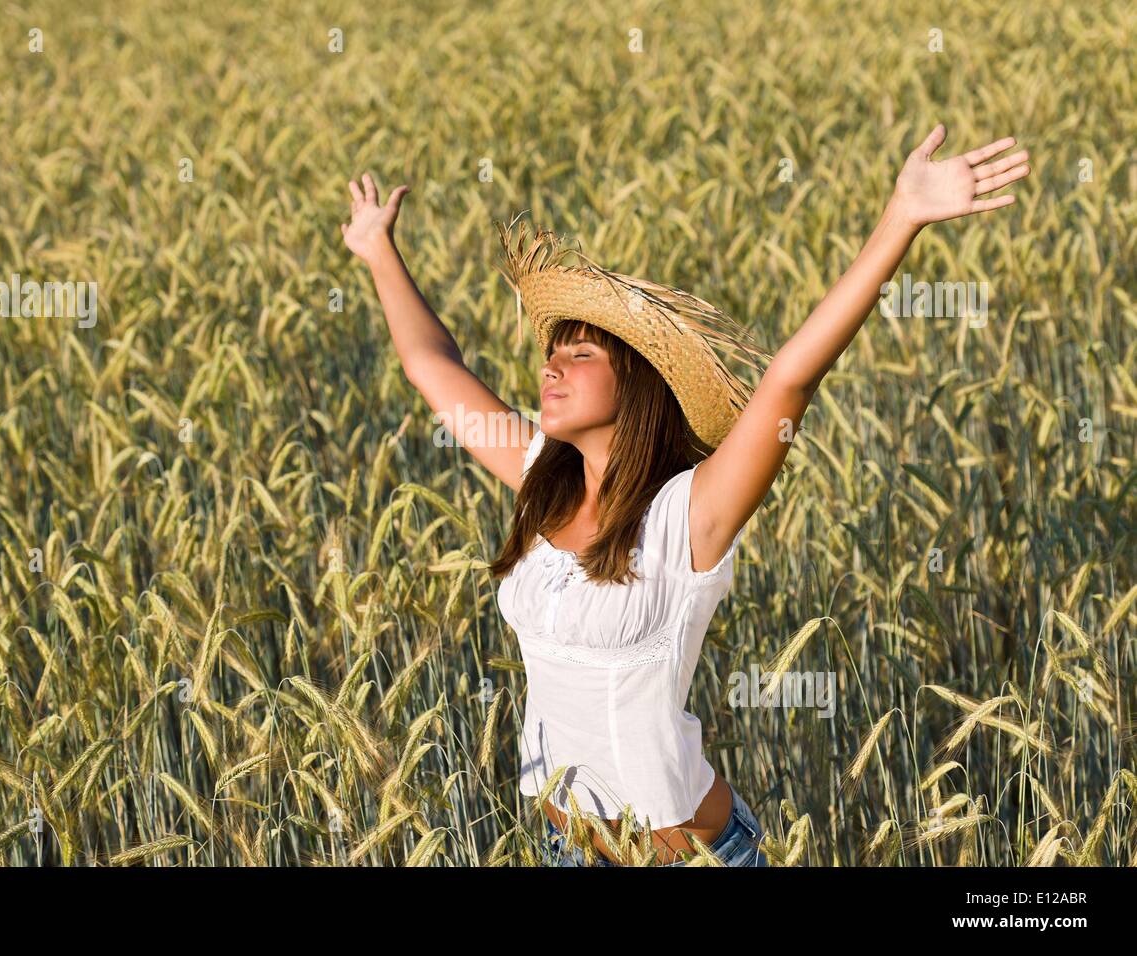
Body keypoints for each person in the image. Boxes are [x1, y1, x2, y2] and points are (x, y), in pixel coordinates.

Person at [340, 124, 1030, 865]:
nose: (551, 369)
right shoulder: (540, 480)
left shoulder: (688, 517)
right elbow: (428, 363)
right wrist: (379, 250)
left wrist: (901, 219)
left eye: (580, 354)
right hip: (562, 849)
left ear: (636, 384)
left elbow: (791, 378)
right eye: (549, 353)